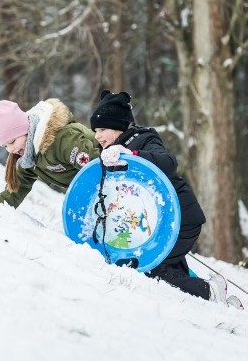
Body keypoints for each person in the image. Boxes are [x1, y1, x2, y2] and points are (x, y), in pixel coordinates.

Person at [89, 90, 223, 302]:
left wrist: (132, 155)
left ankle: (208, 293)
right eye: (95, 130)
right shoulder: (110, 152)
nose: (97, 135)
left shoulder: (142, 140)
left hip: (181, 219)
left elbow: (168, 162)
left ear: (118, 126)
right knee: (163, 264)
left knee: (151, 267)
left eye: (102, 129)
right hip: (158, 223)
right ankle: (209, 297)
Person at [0, 98, 100, 207]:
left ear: (26, 130)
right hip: (95, 186)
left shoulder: (61, 139)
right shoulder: (28, 158)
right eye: (5, 146)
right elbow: (15, 189)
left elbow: (96, 164)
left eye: (12, 141)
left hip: (110, 165)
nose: (10, 149)